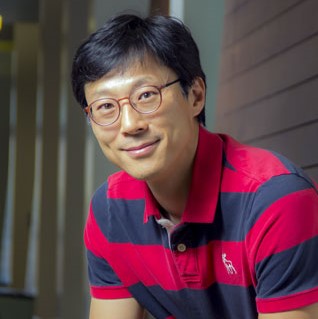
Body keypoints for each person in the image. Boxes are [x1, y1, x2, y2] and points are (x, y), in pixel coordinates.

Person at [71, 13, 318, 319]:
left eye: (147, 96)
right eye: (105, 106)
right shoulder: (110, 210)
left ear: (196, 96)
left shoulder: (275, 199)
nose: (130, 125)